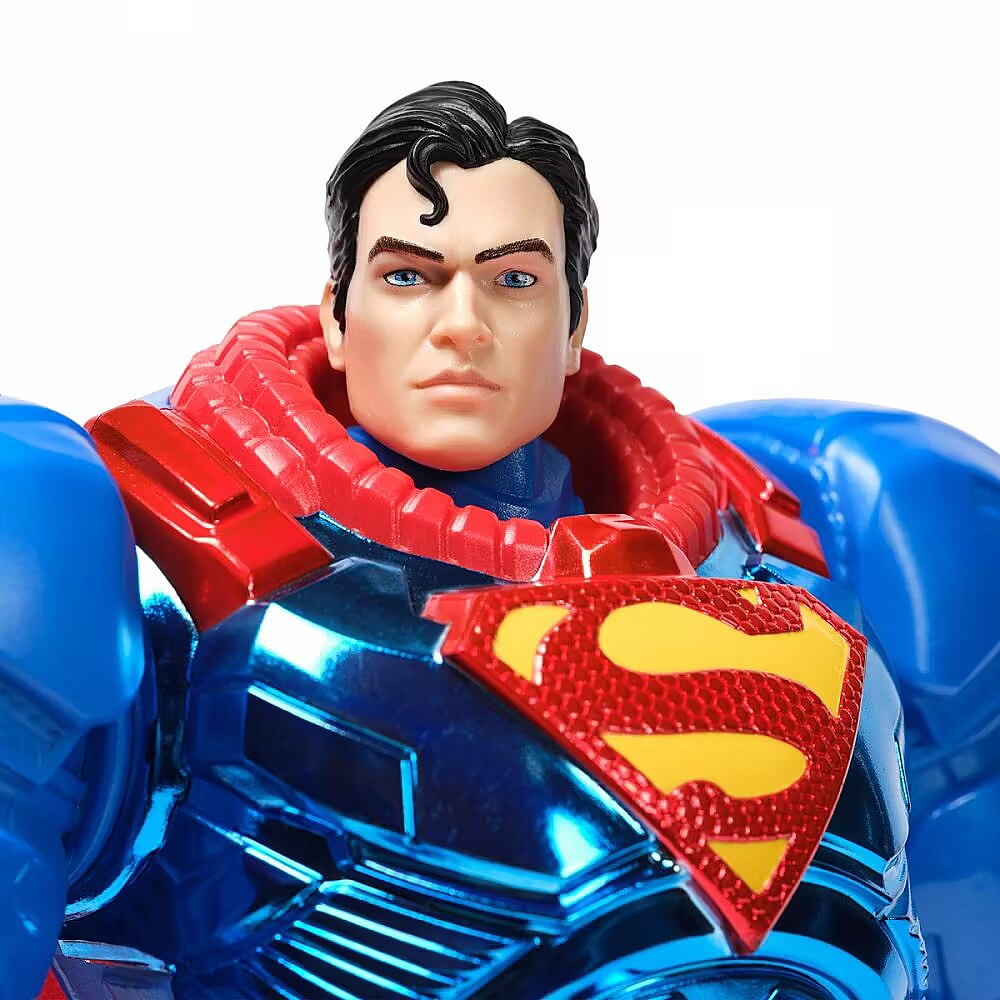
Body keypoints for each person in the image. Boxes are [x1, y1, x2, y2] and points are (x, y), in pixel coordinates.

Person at [2, 81, 996, 1000]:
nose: (462, 325)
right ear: (339, 314)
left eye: (514, 279)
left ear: (574, 322)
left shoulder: (818, 531)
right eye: (409, 276)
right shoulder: (114, 552)